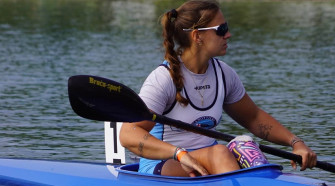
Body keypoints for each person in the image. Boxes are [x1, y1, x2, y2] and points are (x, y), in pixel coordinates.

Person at [120, 0, 317, 177]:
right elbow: (128, 134)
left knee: (244, 145)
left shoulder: (224, 74)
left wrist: (296, 143)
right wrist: (179, 154)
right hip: (163, 165)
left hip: (209, 161)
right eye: (221, 29)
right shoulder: (164, 79)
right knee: (221, 151)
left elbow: (254, 117)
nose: (229, 34)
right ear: (198, 36)